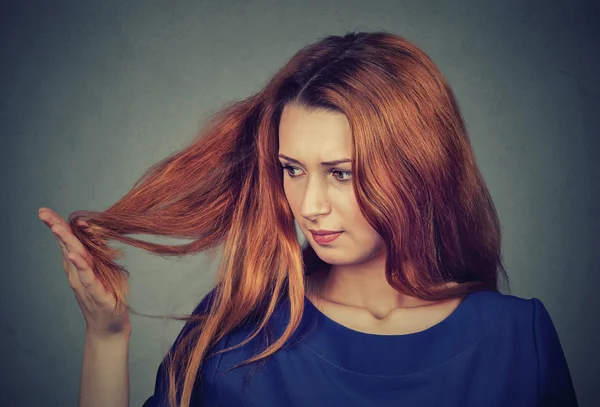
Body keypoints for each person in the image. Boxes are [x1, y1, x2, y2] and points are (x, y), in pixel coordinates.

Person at [38, 31, 578, 407]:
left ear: (418, 169)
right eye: (292, 169)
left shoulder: (516, 337)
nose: (309, 204)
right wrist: (106, 337)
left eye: (341, 173)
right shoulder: (238, 329)